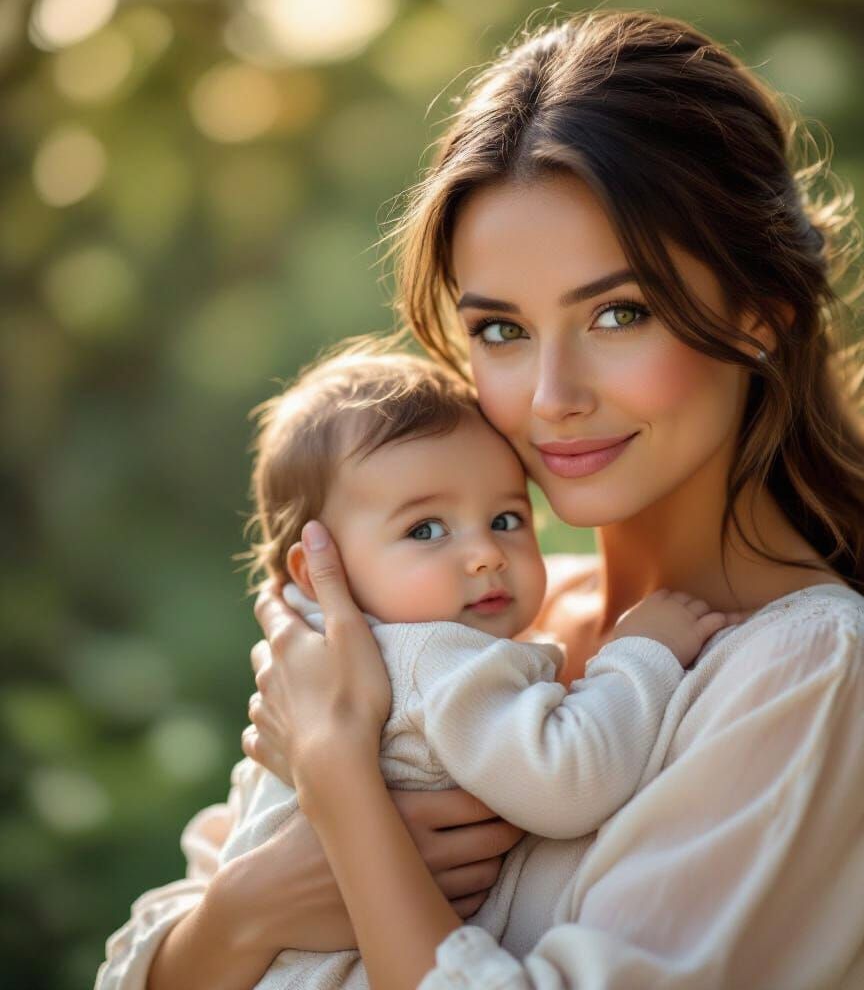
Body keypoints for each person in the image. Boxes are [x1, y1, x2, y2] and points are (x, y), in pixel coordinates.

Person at [95, 9, 864, 990]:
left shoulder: (810, 674)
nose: (552, 396)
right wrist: (257, 908)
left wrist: (345, 789)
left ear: (758, 317)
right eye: (502, 329)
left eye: (617, 314)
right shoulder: (483, 609)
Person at [139, 338, 733, 990]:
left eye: (506, 517)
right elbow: (567, 782)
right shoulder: (429, 654)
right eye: (426, 530)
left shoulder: (312, 679)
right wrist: (640, 653)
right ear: (320, 571)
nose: (485, 553)